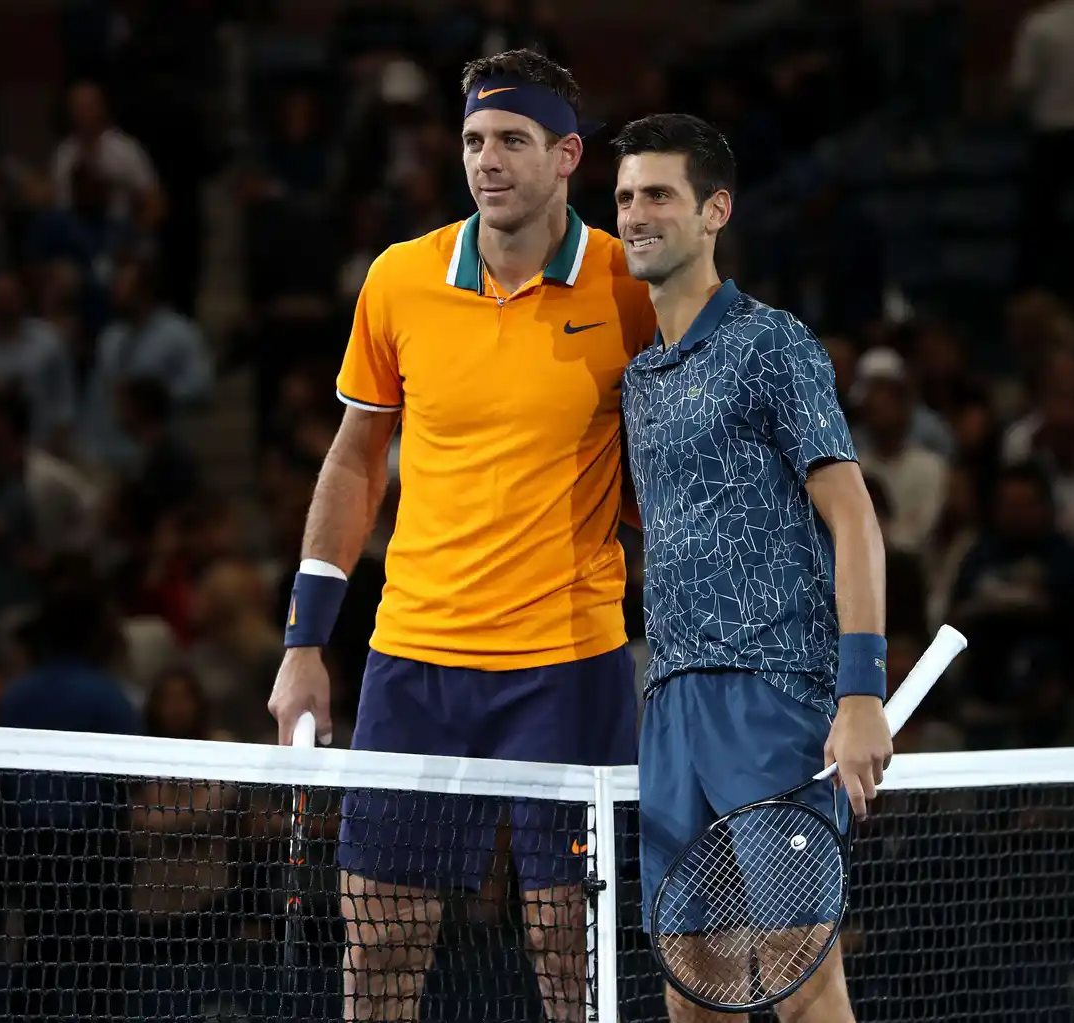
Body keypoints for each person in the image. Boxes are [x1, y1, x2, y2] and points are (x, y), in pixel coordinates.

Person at [265, 49, 655, 1023]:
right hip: (414, 662)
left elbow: (674, 464)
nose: (488, 161)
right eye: (476, 139)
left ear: (568, 155)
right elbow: (355, 461)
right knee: (382, 940)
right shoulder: (399, 280)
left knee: (577, 955)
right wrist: (306, 643)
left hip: (568, 665)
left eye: (513, 141)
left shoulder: (631, 284)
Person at [612, 113, 892, 1023]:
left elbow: (854, 518)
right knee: (696, 985)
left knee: (801, 978)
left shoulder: (774, 343)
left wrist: (860, 694)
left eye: (659, 194)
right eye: (624, 198)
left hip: (777, 698)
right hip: (672, 707)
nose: (637, 214)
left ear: (714, 211)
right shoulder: (638, 379)